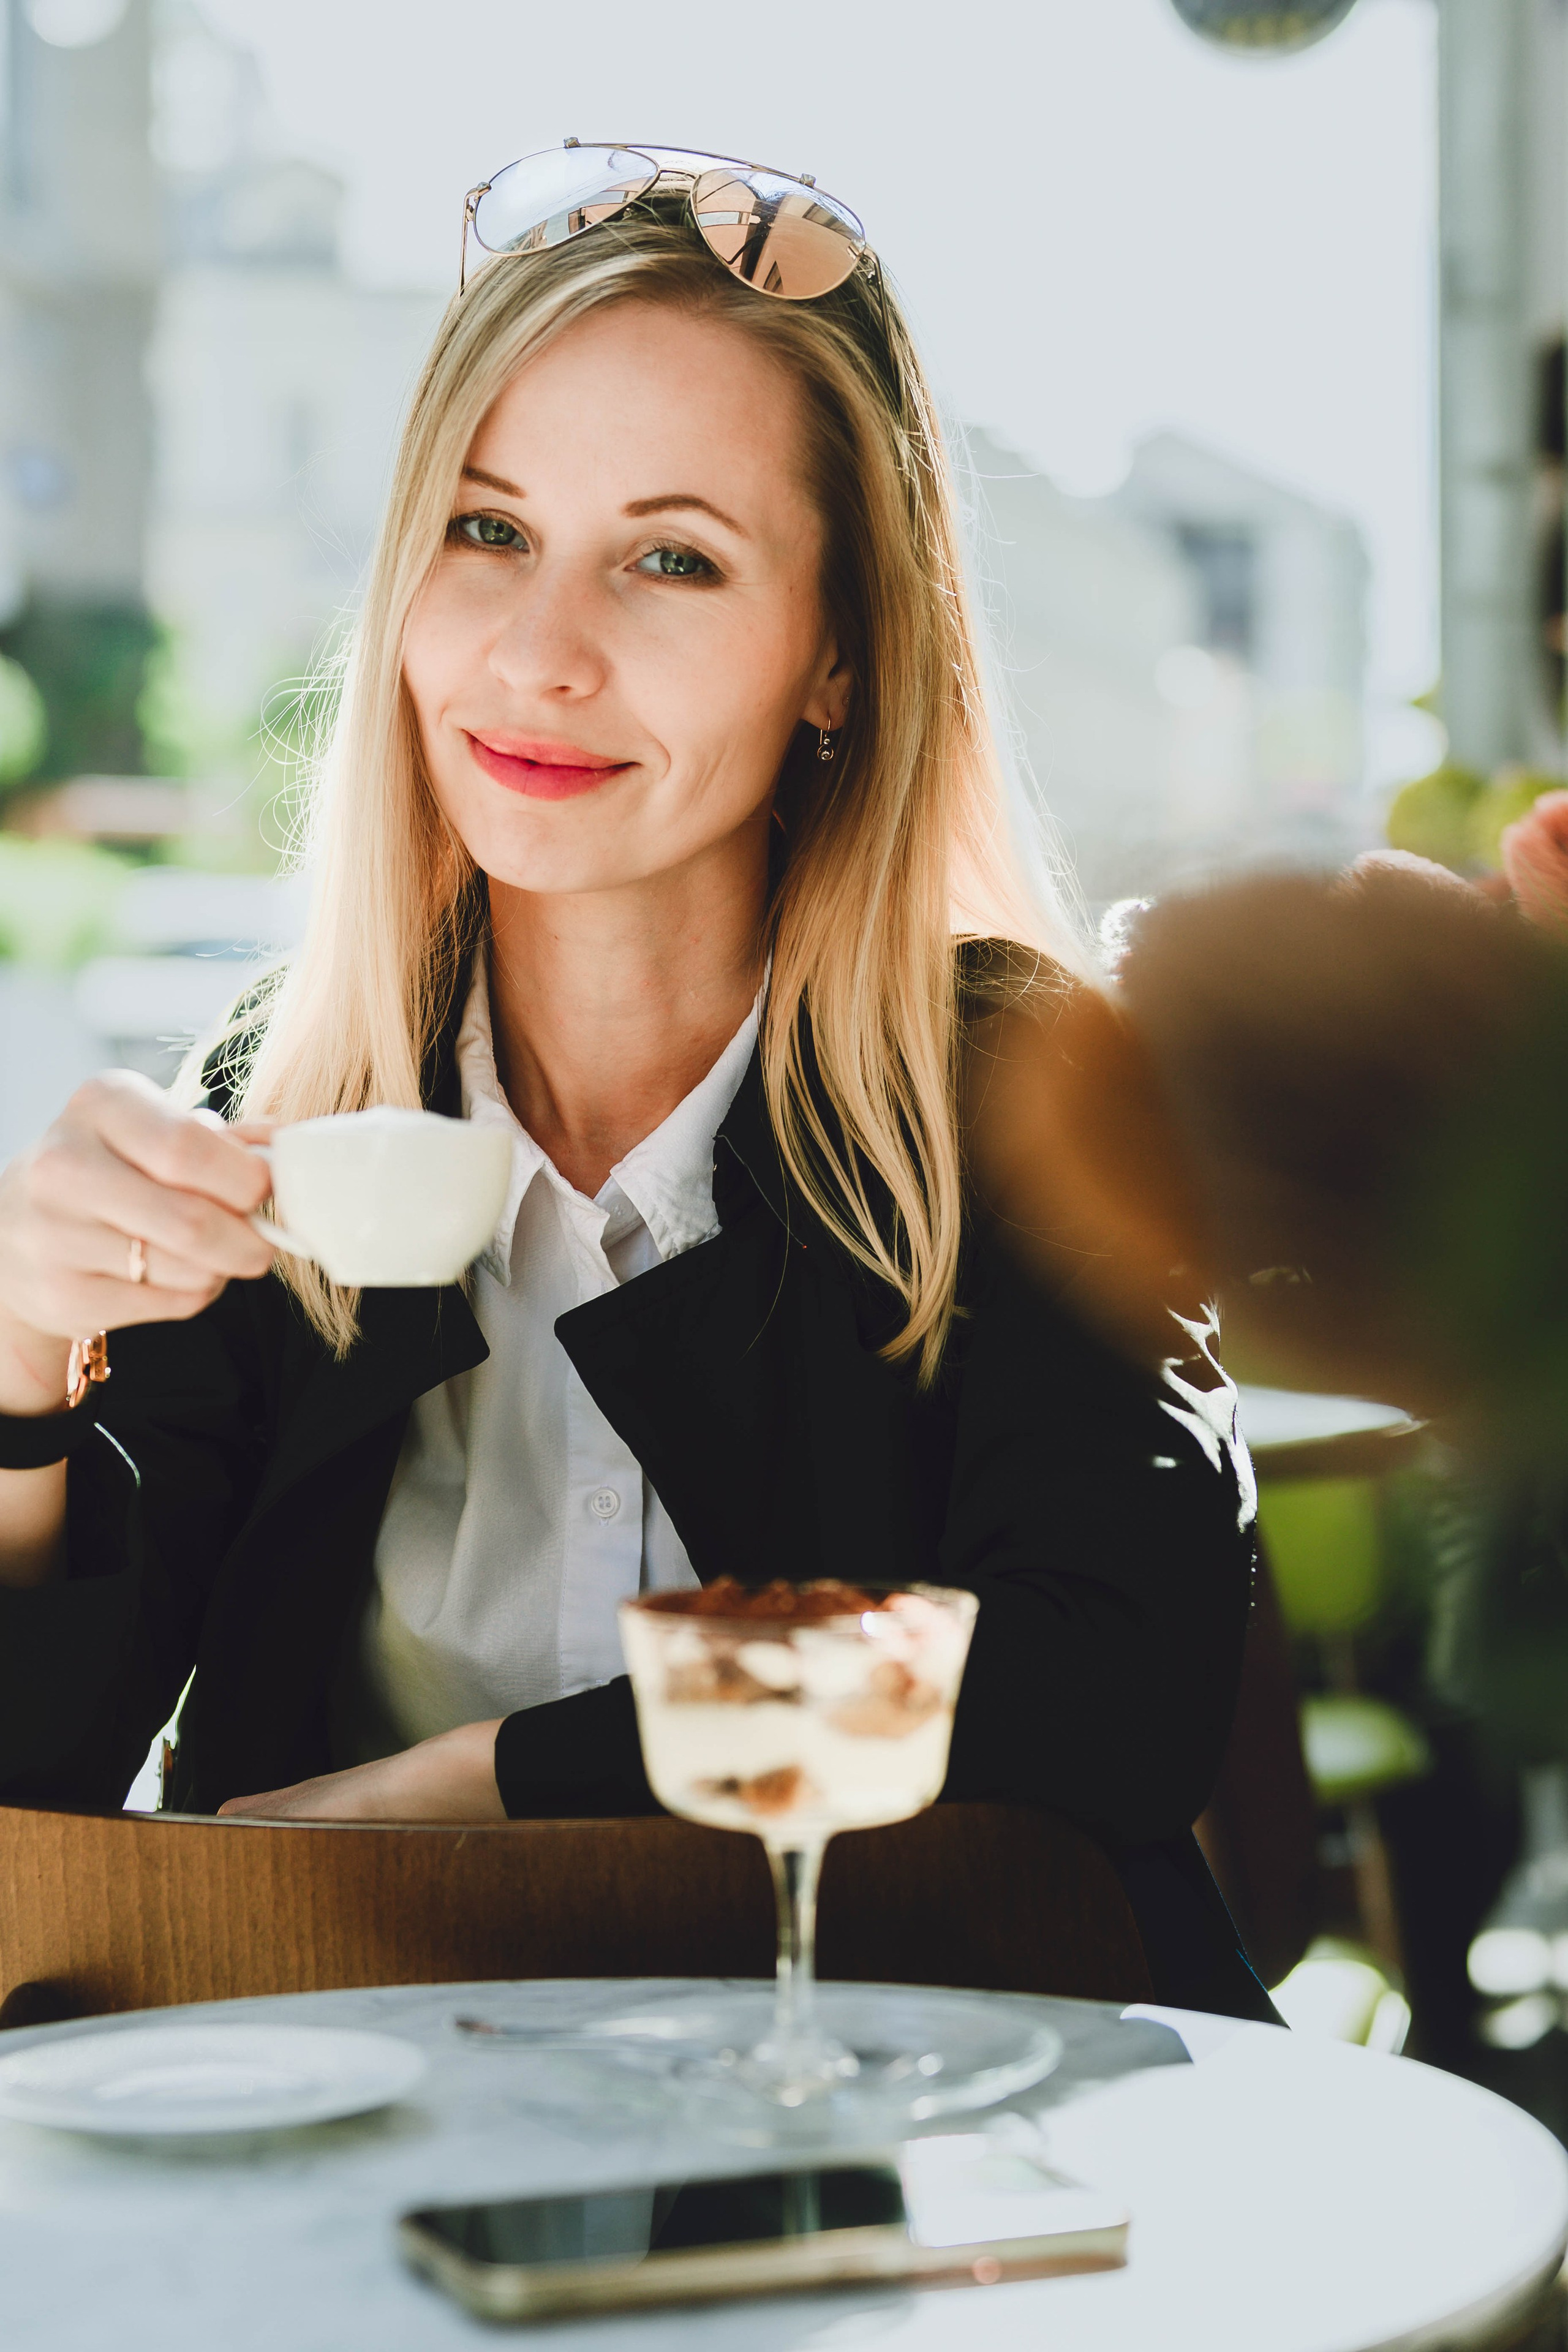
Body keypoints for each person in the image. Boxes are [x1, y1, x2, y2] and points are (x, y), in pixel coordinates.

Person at [0, 148, 1261, 2013]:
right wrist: (19, 1383)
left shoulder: (1016, 1085)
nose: (537, 655)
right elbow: (42, 1799)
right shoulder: (284, 1101)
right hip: (354, 2155)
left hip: (926, 2163)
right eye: (487, 531)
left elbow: (1120, 1692)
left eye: (673, 558)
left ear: (839, 651)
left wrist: (485, 1789)